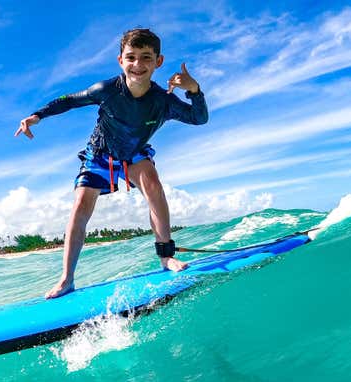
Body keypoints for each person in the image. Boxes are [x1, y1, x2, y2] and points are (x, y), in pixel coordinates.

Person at [15, 28, 208, 299]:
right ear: (120, 60)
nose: (138, 65)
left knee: (153, 185)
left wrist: (195, 91)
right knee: (81, 204)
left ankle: (166, 257)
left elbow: (198, 118)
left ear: (158, 62)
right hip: (100, 152)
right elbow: (70, 100)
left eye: (146, 57)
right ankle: (66, 278)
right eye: (131, 57)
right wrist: (37, 115)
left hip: (135, 153)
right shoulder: (107, 90)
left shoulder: (163, 102)